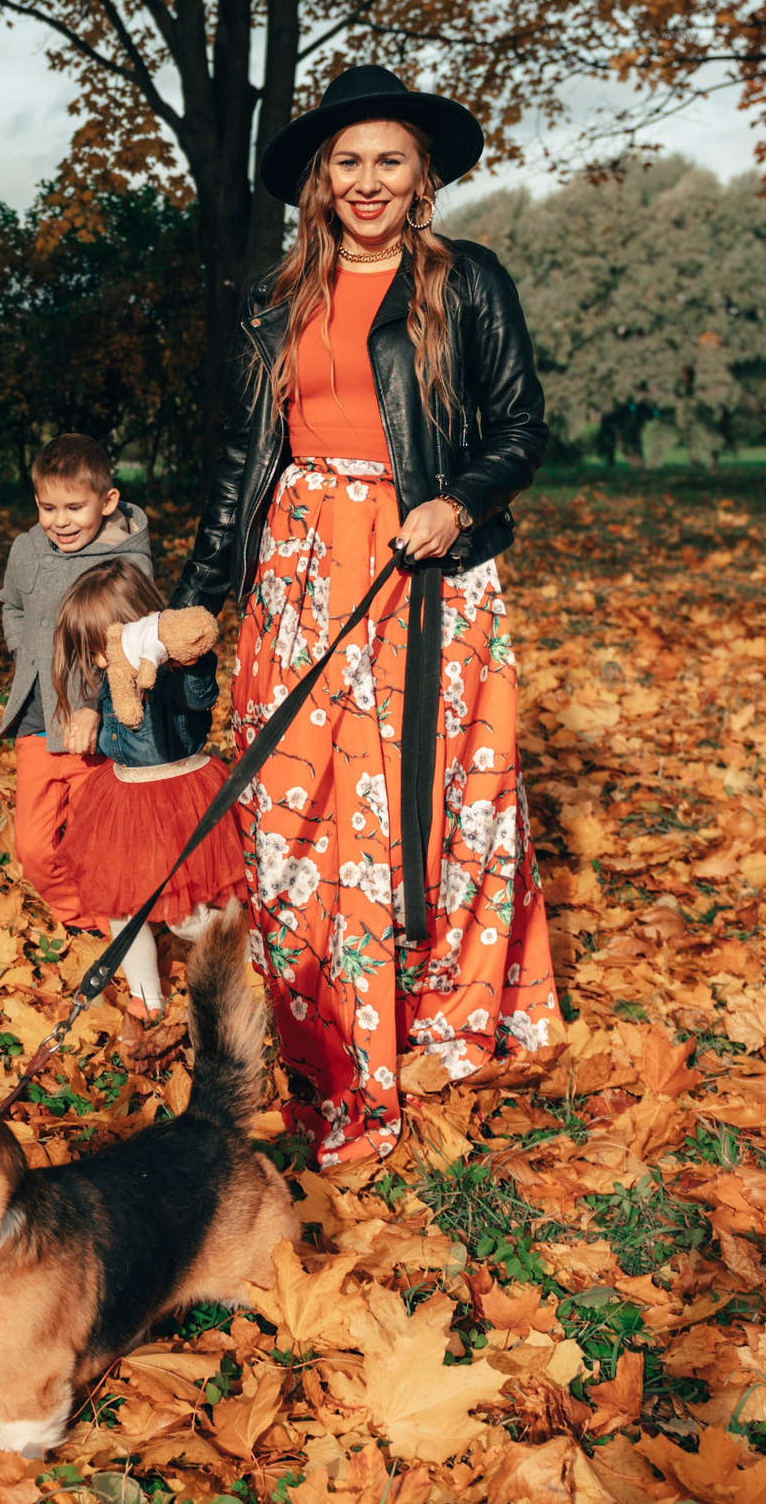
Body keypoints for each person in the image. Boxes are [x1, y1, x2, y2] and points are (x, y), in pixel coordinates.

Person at [169, 63, 558, 1169]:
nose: (369, 179)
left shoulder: (466, 281)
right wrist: (201, 598)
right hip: (300, 575)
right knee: (300, 816)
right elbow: (245, 461)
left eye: (390, 159)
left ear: (422, 174)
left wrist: (457, 500)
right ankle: (326, 1046)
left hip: (423, 571)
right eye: (348, 160)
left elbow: (520, 429)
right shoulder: (275, 296)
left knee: (425, 812)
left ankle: (436, 1030)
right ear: (319, 178)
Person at [43, 560, 246, 1018]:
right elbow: (110, 698)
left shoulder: (173, 678)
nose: (99, 663)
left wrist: (187, 656)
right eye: (94, 653)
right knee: (123, 907)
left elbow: (199, 697)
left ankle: (250, 952)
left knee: (185, 915)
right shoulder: (114, 673)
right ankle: (146, 997)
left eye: (103, 651)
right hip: (125, 801)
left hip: (176, 799)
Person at [0, 434, 152, 930]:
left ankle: (114, 924)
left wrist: (95, 705)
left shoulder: (125, 562)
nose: (59, 521)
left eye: (74, 507)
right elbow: (11, 603)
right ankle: (80, 919)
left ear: (107, 502)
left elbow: (137, 648)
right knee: (34, 848)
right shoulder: (28, 549)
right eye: (47, 507)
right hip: (36, 722)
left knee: (95, 840)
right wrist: (25, 650)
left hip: (95, 730)